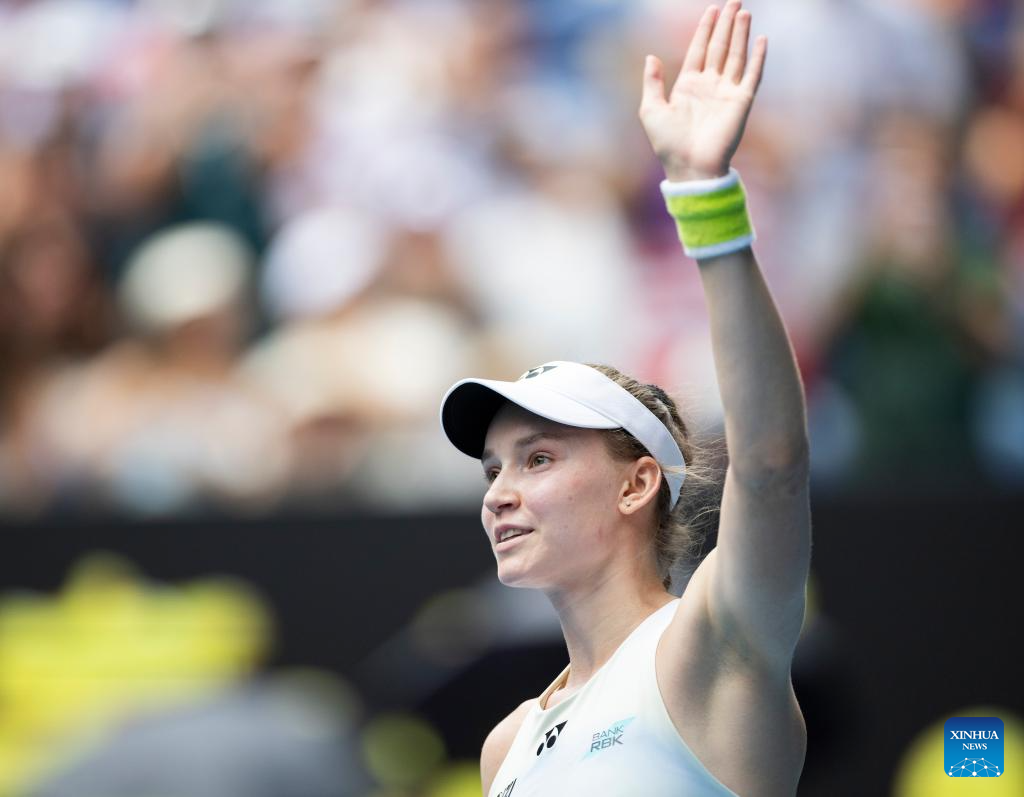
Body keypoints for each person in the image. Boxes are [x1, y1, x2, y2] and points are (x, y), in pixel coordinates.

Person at [438, 3, 809, 795]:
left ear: (638, 483)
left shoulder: (710, 642)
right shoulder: (506, 745)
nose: (499, 494)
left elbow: (772, 464)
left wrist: (704, 195)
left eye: (538, 458)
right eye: (493, 470)